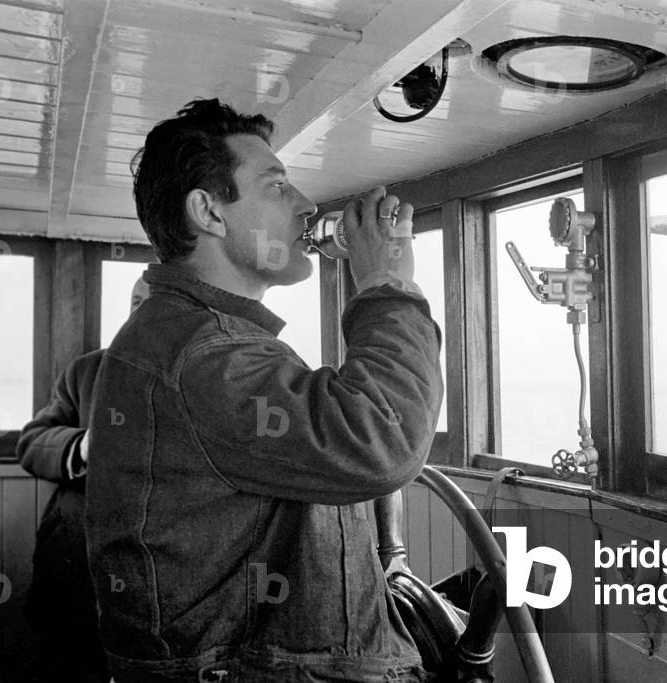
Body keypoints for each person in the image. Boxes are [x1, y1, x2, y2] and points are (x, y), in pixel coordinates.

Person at [84, 99, 443, 682]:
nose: (305, 204)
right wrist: (386, 281)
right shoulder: (203, 353)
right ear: (209, 212)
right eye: (277, 185)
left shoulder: (193, 336)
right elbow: (381, 441)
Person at [17, 277, 149, 683]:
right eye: (136, 300)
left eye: (155, 302)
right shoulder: (85, 370)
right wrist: (83, 446)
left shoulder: (206, 372)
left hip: (158, 573)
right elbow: (32, 442)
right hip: (74, 565)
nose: (141, 311)